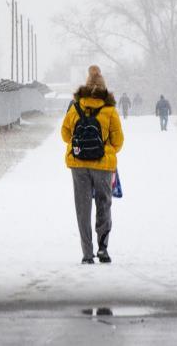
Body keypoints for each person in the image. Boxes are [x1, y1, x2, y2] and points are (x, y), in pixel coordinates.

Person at [61, 65, 124, 264]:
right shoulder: (109, 110)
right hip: (103, 165)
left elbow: (65, 134)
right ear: (104, 89)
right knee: (104, 205)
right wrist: (106, 150)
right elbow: (118, 140)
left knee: (83, 208)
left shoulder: (75, 107)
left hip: (78, 164)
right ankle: (103, 249)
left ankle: (87, 254)